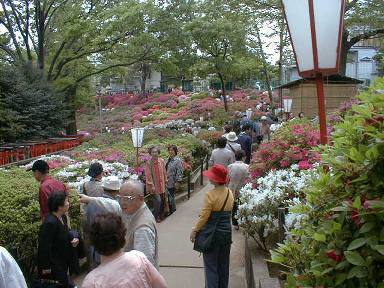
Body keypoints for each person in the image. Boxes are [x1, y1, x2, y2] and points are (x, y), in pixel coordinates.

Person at [80, 180, 159, 270]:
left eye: (126, 198)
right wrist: (89, 199)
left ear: (141, 198)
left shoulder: (142, 229)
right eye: (119, 197)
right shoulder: (131, 210)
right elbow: (112, 204)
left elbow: (144, 264)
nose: (122, 202)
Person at [82, 213, 167, 288]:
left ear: (93, 242)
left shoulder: (92, 281)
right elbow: (162, 285)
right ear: (122, 235)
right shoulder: (139, 258)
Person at [190, 165, 234, 288]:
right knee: (223, 266)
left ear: (215, 179)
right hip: (226, 234)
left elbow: (204, 216)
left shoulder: (210, 194)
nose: (209, 178)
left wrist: (195, 230)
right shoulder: (229, 193)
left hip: (212, 234)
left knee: (211, 267)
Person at [38, 191, 79, 288]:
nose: (68, 203)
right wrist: (46, 268)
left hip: (63, 260)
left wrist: (74, 236)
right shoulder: (50, 223)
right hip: (54, 264)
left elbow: (68, 231)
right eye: (66, 201)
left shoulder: (62, 217)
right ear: (59, 206)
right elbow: (44, 247)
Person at [85, 176, 121, 269]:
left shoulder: (92, 203)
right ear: (117, 191)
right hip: (111, 248)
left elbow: (88, 225)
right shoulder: (116, 205)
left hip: (96, 248)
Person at [144, 147, 168, 222]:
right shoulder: (148, 163)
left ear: (158, 152)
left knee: (163, 200)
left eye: (156, 152)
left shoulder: (161, 161)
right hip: (154, 186)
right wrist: (152, 185)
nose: (154, 153)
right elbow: (148, 175)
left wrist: (166, 180)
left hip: (162, 184)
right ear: (150, 153)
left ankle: (161, 214)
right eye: (153, 152)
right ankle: (155, 216)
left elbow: (164, 171)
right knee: (158, 201)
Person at [228, 150, 249, 230]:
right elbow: (249, 178)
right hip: (243, 188)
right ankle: (243, 221)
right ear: (243, 157)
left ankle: (235, 223)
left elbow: (228, 177)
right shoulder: (247, 167)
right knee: (242, 205)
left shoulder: (230, 166)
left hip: (232, 188)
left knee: (234, 206)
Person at [166, 145, 184, 215]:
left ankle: (173, 211)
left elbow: (180, 172)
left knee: (171, 197)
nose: (170, 151)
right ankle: (169, 210)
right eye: (169, 150)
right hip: (166, 181)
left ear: (175, 151)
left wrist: (178, 182)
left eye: (172, 150)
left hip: (172, 181)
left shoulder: (178, 161)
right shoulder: (167, 160)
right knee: (168, 197)